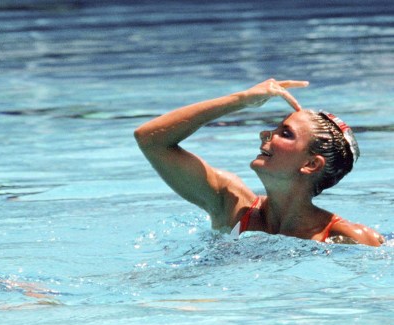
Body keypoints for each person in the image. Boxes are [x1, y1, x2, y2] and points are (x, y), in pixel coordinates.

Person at [134, 79, 383, 246]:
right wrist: (242, 99)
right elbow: (151, 139)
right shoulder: (231, 204)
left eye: (286, 133)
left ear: (311, 164)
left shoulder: (347, 237)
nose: (266, 134)